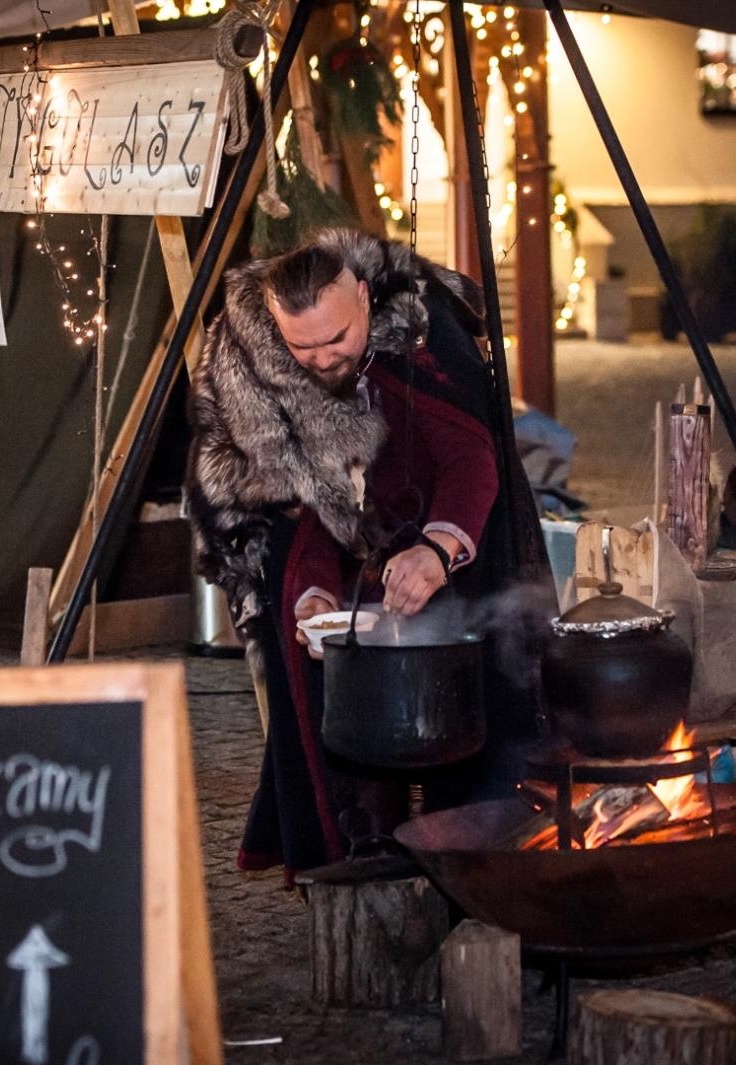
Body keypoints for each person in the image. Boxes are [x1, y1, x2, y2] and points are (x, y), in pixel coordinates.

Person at [185, 227, 551, 876]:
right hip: (366, 548)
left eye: (337, 339)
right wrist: (313, 593)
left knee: (479, 683)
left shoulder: (416, 339)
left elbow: (471, 456)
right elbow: (302, 514)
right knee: (315, 653)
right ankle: (361, 848)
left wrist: (439, 549)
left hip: (442, 523)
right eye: (305, 347)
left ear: (361, 296)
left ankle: (476, 848)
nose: (325, 359)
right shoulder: (272, 378)